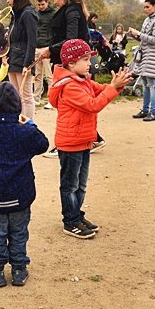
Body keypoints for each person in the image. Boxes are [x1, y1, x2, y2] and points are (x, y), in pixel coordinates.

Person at [48, 39, 132, 238]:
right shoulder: (70, 86)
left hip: (83, 141)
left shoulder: (82, 79)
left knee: (81, 184)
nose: (90, 63)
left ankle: (77, 215)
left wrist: (115, 85)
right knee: (70, 185)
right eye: (85, 59)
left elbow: (101, 90)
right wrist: (113, 88)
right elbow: (93, 104)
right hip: (70, 144)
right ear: (70, 64)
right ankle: (70, 221)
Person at [0, 82, 49, 287]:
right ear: (18, 107)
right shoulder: (26, 132)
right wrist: (30, 124)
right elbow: (43, 144)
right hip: (21, 194)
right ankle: (19, 269)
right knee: (20, 230)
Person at [38, 0, 105, 154]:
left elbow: (71, 39)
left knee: (70, 102)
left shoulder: (72, 12)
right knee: (68, 103)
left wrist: (51, 49)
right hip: (67, 61)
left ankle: (79, 140)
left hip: (73, 63)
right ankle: (88, 138)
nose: (54, 2)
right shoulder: (68, 11)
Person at [127, 0, 155, 122]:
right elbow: (143, 38)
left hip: (152, 55)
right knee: (144, 82)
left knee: (152, 83)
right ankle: (145, 110)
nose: (145, 9)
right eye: (144, 7)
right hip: (144, 54)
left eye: (147, 7)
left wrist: (139, 33)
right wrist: (134, 35)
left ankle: (153, 112)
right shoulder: (147, 19)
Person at [5, 0, 38, 120]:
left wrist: (27, 63)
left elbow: (32, 40)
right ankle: (18, 122)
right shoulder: (16, 14)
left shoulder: (28, 13)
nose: (7, 1)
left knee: (26, 96)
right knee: (16, 96)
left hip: (23, 59)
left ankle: (28, 124)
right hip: (13, 58)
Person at [33, 0, 55, 107]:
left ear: (47, 2)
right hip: (37, 46)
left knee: (49, 75)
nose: (41, 6)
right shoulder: (36, 14)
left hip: (47, 47)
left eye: (43, 4)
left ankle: (51, 99)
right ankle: (36, 98)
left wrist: (51, 47)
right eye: (39, 4)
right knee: (37, 75)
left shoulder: (53, 14)